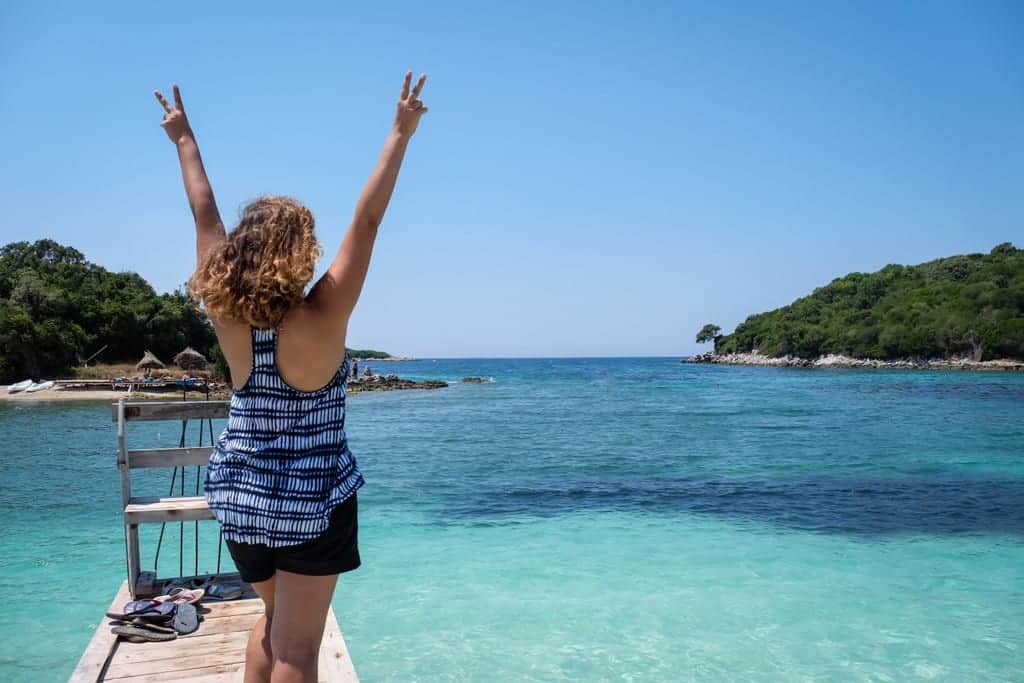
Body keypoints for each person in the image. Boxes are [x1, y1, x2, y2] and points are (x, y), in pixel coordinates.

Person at [154, 71, 428, 683]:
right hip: (312, 504)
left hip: (242, 500)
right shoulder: (326, 314)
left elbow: (205, 217)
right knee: (299, 650)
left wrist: (184, 139)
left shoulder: (229, 317)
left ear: (243, 253)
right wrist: (400, 133)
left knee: (272, 625)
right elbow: (370, 220)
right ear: (302, 253)